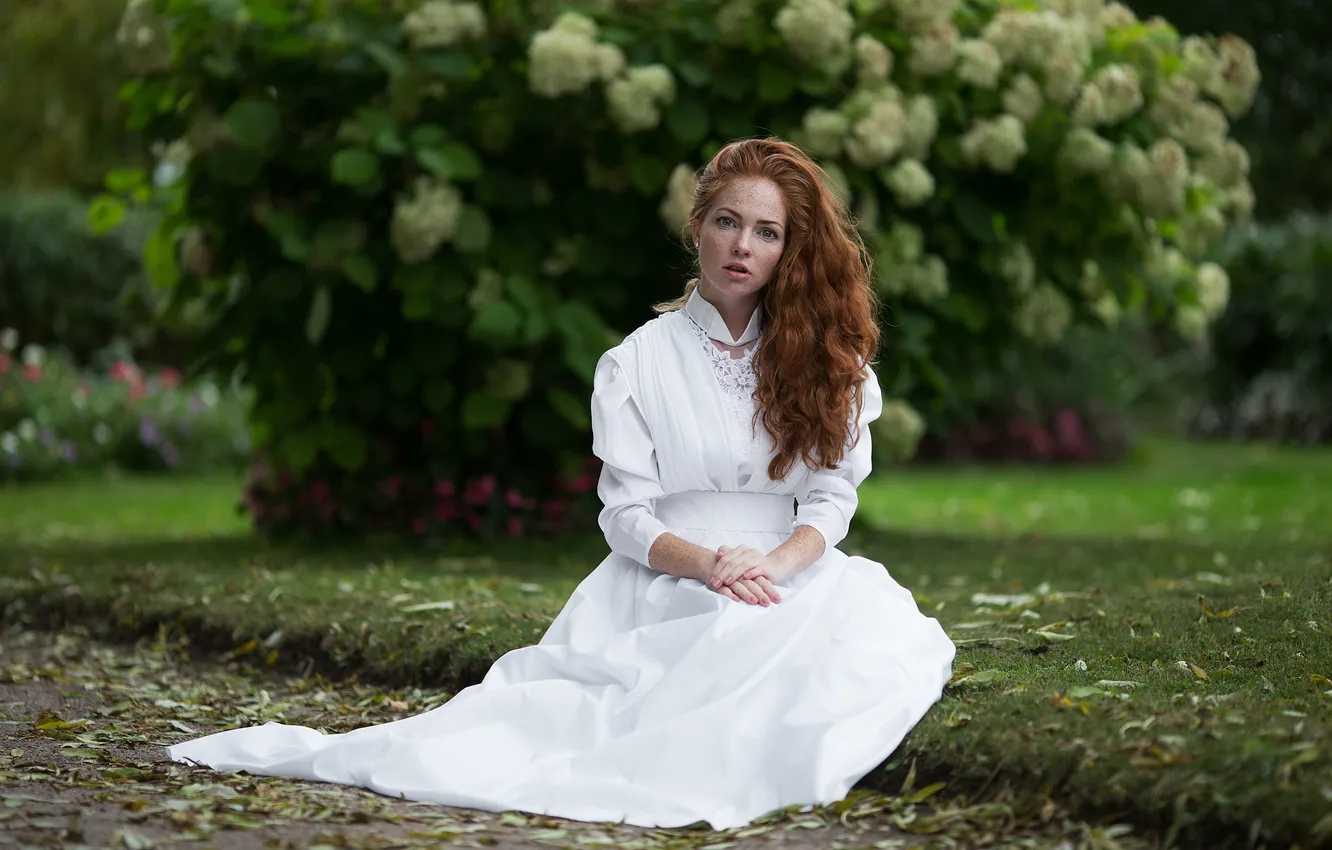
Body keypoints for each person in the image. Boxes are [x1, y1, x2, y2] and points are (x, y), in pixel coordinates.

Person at [167, 137, 956, 830]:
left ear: (790, 248)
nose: (742, 245)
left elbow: (829, 498)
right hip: (669, 577)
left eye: (767, 231)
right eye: (727, 222)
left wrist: (773, 568)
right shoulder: (637, 363)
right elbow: (626, 516)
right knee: (585, 720)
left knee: (862, 651)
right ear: (696, 228)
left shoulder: (824, 362)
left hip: (789, 572)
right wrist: (711, 566)